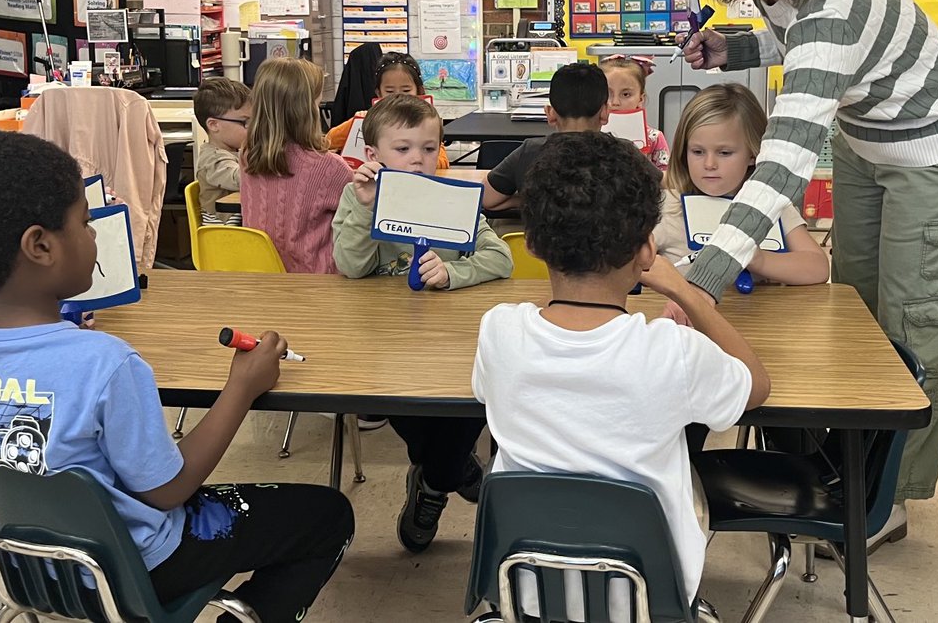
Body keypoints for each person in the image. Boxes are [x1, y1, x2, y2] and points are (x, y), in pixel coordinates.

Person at [0, 129, 354, 622]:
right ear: (40, 246)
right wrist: (241, 388)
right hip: (132, 568)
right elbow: (167, 491)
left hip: (20, 567)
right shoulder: (105, 363)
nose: (95, 233)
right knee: (328, 517)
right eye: (84, 221)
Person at [680, 0, 938, 541]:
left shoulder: (834, 4)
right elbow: (791, 38)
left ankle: (888, 500)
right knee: (854, 308)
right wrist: (732, 51)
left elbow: (784, 163)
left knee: (919, 320)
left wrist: (701, 278)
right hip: (867, 138)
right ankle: (844, 458)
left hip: (937, 149)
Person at [473, 131, 769, 613]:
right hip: (647, 600)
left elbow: (486, 393)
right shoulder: (671, 350)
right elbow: (755, 386)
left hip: (522, 593)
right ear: (647, 250)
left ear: (533, 243)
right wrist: (688, 292)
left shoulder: (499, 332)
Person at [331, 94, 512, 553]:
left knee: (471, 402)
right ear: (373, 155)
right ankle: (453, 472)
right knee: (406, 406)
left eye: (429, 149)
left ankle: (433, 484)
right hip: (385, 340)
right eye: (403, 149)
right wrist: (367, 207)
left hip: (451, 341)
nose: (417, 159)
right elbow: (350, 267)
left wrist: (454, 273)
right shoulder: (357, 198)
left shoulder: (451, 199)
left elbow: (501, 257)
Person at [654, 83, 828, 285]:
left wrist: (757, 259)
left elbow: (818, 268)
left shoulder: (771, 203)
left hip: (760, 315)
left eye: (725, 153)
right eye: (698, 152)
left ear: (754, 154)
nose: (709, 164)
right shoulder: (665, 206)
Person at [240, 57, 352, 273]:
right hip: (316, 285)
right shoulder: (330, 168)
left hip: (260, 278)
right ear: (309, 108)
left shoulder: (248, 154)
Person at [482, 63, 611, 211]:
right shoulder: (626, 156)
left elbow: (487, 199)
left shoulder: (530, 152)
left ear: (550, 114)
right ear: (605, 112)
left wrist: (524, 200)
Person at [324, 52, 450, 170]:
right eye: (389, 91)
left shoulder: (427, 121)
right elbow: (329, 141)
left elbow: (443, 161)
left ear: (419, 91)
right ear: (378, 93)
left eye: (406, 90)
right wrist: (355, 122)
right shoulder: (372, 118)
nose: (398, 96)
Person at [193, 76, 251, 224]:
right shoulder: (212, 159)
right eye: (245, 122)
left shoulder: (233, 151)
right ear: (213, 125)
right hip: (225, 238)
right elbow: (239, 179)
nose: (252, 129)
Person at [599, 55, 670, 171]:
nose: (615, 102)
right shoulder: (591, 134)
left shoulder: (654, 138)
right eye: (608, 94)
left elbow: (667, 176)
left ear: (640, 99)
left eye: (626, 94)